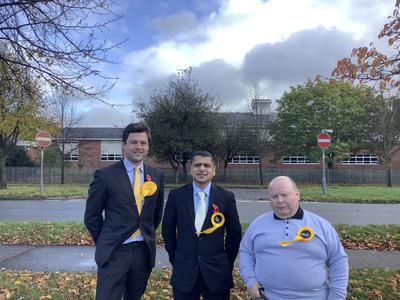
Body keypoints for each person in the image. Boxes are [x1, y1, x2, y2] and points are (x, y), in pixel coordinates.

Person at [84, 122, 164, 300]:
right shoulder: (105, 175)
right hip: (115, 251)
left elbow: (156, 213)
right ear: (124, 144)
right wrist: (106, 241)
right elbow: (92, 216)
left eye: (143, 143)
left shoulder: (157, 175)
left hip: (143, 251)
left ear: (148, 146)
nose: (138, 147)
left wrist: (146, 233)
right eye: (134, 142)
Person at [239, 176, 348, 300]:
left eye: (285, 195)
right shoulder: (257, 225)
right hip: (267, 296)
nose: (280, 200)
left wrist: (337, 296)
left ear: (297, 194)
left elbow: (338, 261)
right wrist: (250, 280)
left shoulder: (322, 226)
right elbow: (246, 252)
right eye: (274, 197)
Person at [162, 150, 242, 300]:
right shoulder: (176, 195)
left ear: (214, 170)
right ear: (191, 168)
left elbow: (234, 234)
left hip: (217, 273)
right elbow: (168, 230)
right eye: (197, 165)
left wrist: (226, 263)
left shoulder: (226, 197)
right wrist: (176, 259)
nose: (202, 169)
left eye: (207, 165)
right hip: (184, 272)